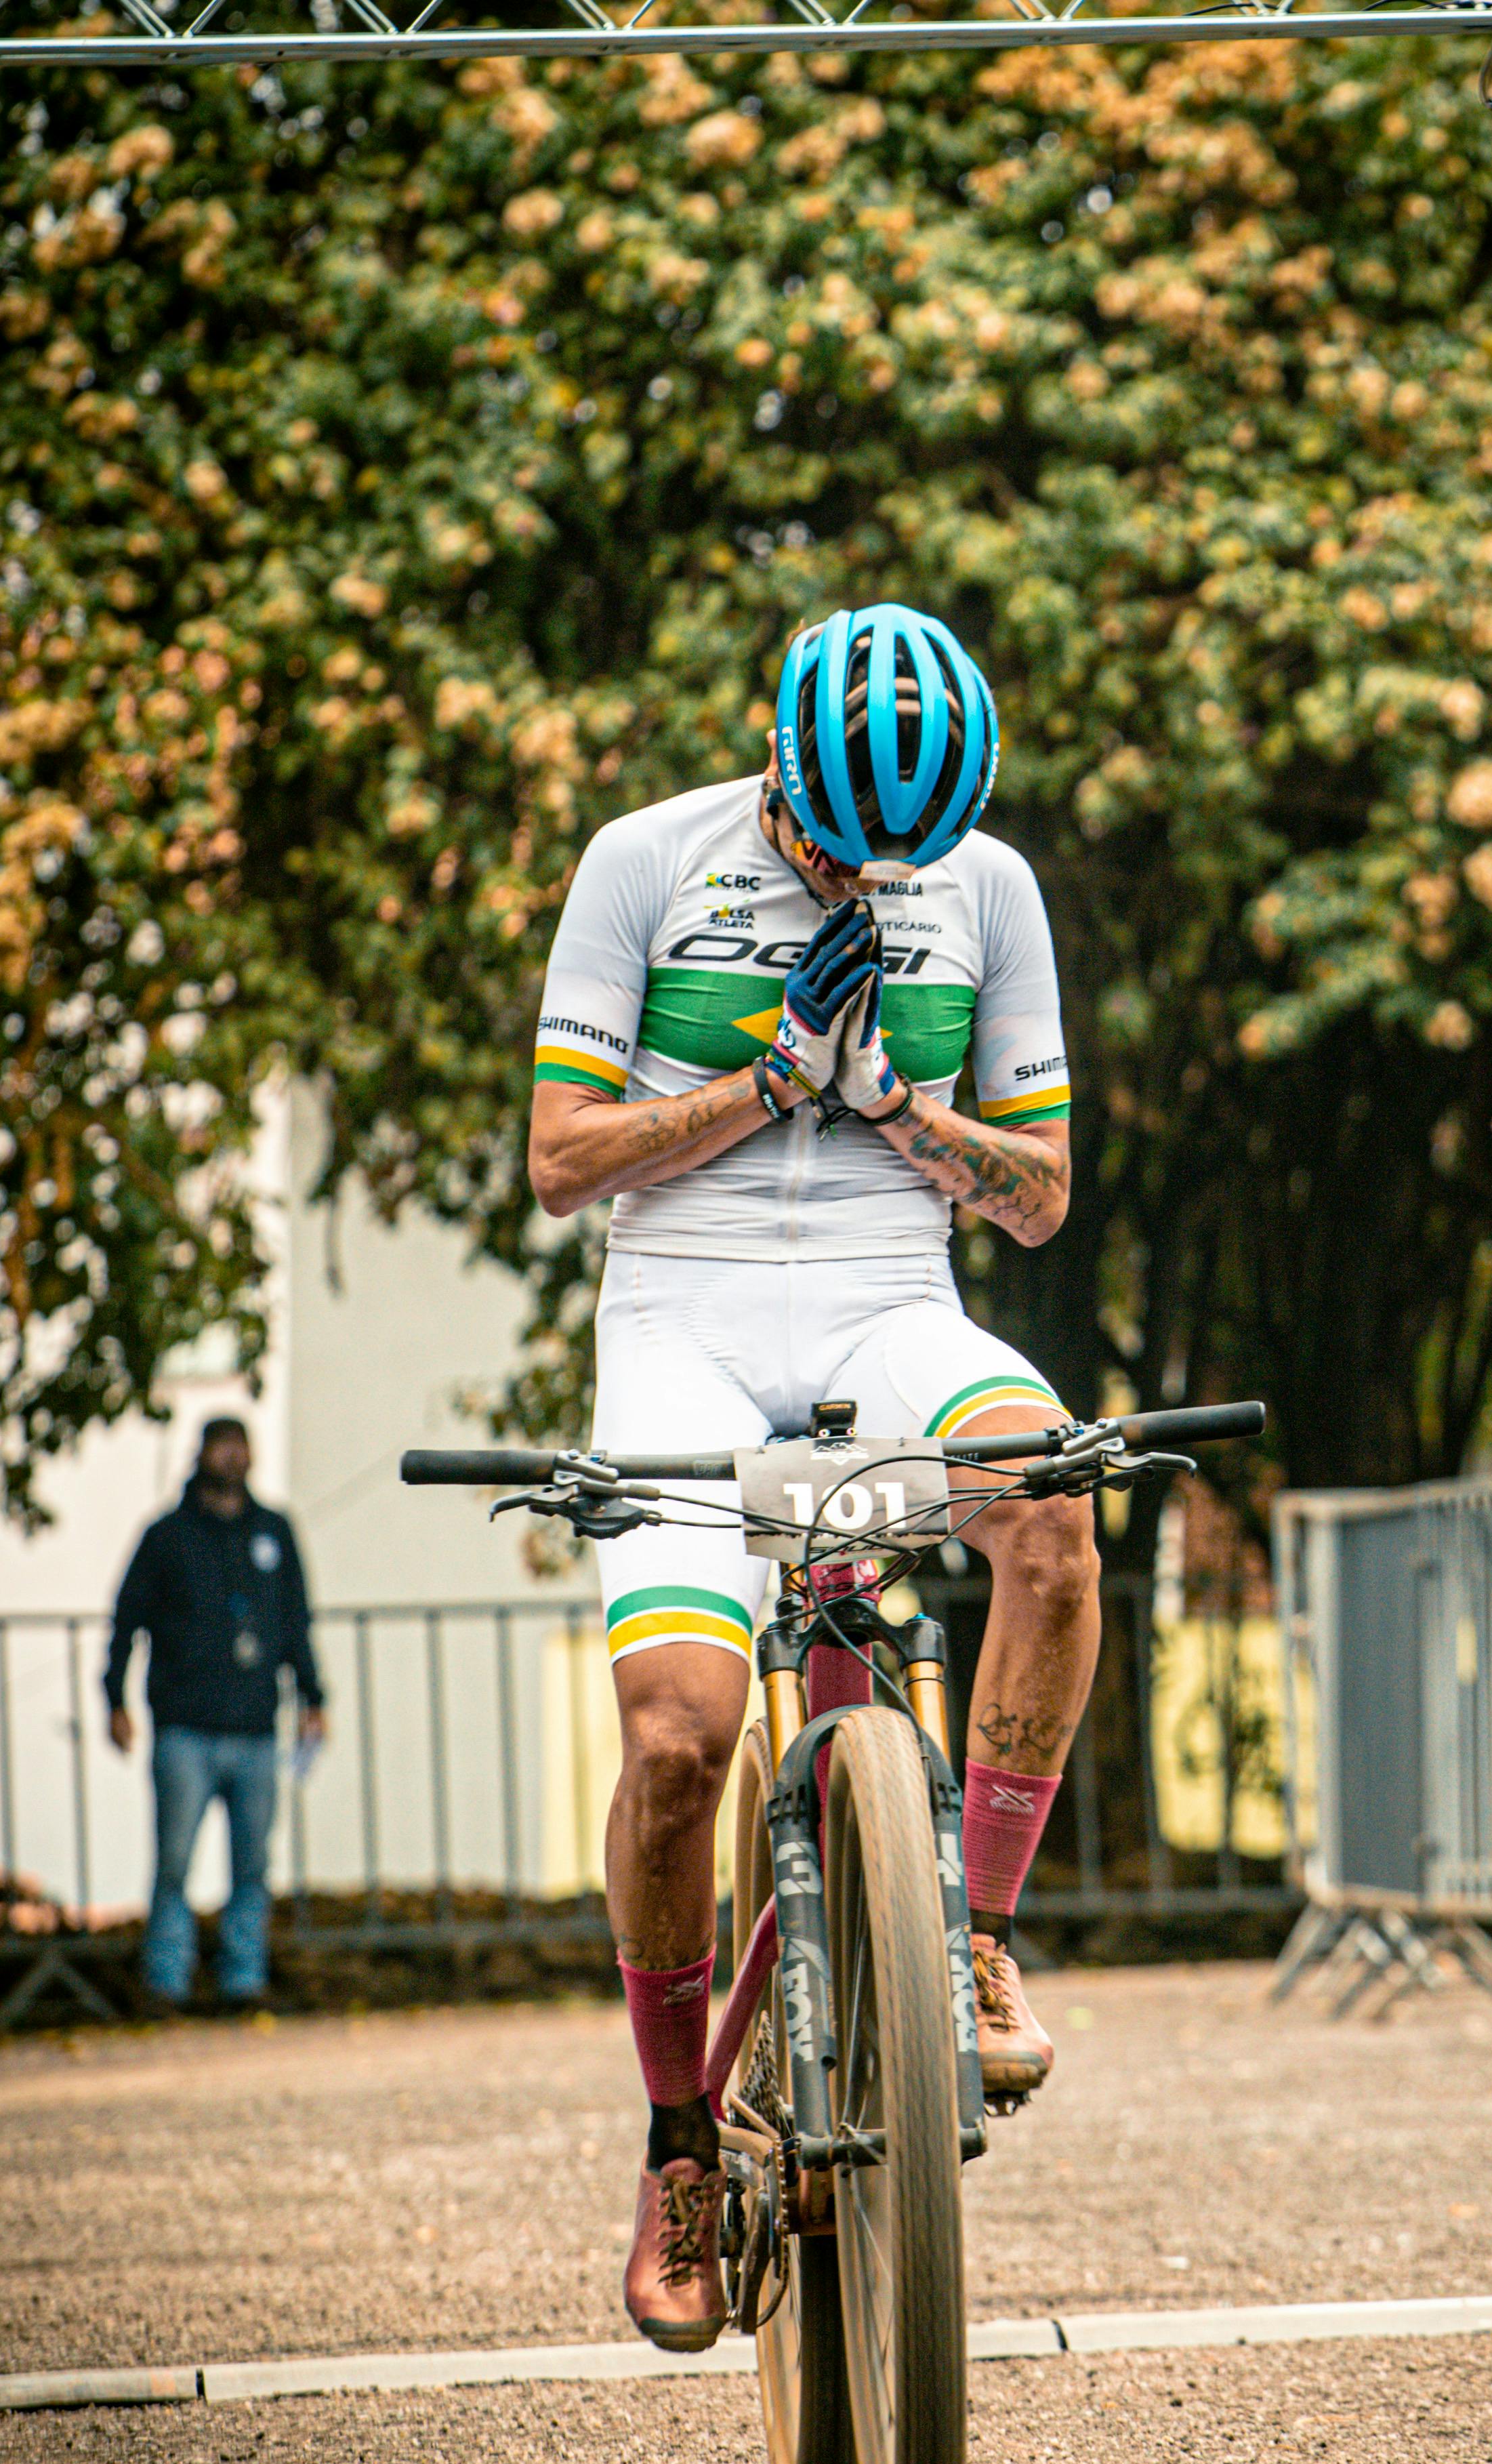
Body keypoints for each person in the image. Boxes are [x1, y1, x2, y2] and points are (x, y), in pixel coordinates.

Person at [529, 601, 1100, 2352]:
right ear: (777, 767)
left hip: (885, 1312)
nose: (867, 882)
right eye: (836, 846)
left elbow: (1042, 1193)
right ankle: (680, 2135)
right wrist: (763, 1076)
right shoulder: (644, 863)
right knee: (682, 1741)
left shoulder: (986, 890)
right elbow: (561, 1164)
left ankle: (977, 1938)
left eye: (897, 859)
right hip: (681, 1326)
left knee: (1058, 1521)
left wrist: (898, 1114)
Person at [104, 1417, 327, 2007]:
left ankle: (243, 1980)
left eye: (240, 1446)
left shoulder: (274, 1531)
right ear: (200, 1454)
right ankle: (167, 1980)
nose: (232, 1457)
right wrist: (114, 1698)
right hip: (184, 1727)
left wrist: (313, 1697)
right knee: (174, 1863)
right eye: (221, 1446)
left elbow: (295, 1624)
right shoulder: (167, 1536)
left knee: (253, 1867)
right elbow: (125, 1620)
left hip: (256, 1727)